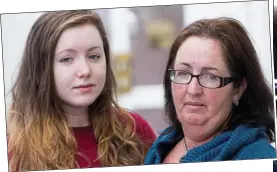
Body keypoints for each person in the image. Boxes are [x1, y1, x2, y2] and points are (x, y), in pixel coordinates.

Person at [7, 10, 156, 171]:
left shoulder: (132, 129)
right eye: (67, 59)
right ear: (41, 69)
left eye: (93, 56)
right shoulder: (15, 149)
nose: (85, 70)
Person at [144, 17, 276, 164]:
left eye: (210, 77)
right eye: (183, 73)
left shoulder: (261, 159)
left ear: (238, 88)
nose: (193, 90)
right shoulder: (159, 147)